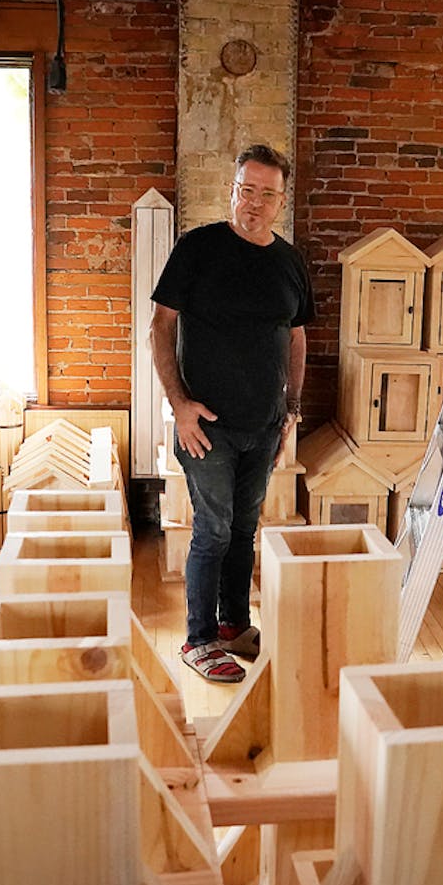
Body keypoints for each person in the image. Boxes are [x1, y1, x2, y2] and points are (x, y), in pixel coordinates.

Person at [150, 144, 314, 683]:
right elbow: (161, 326)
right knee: (213, 532)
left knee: (244, 529)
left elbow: (296, 335)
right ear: (232, 190)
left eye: (268, 194)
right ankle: (198, 640)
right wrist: (180, 406)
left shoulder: (289, 261)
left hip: (264, 425)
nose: (256, 203)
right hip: (207, 426)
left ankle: (232, 627)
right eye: (248, 190)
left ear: (281, 200)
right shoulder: (198, 248)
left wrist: (290, 408)